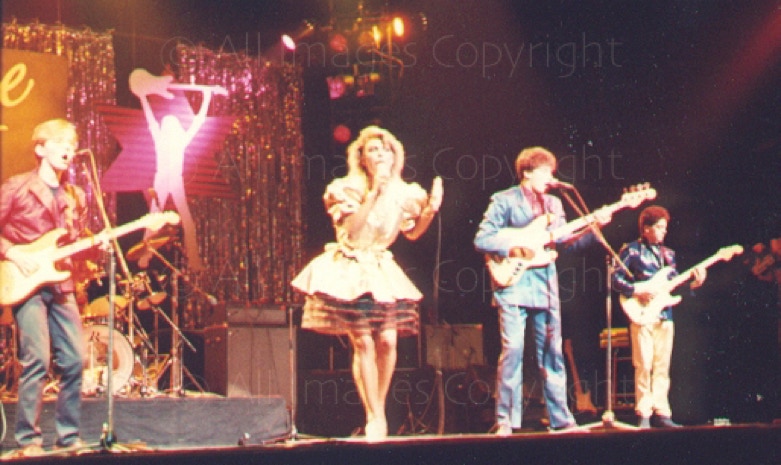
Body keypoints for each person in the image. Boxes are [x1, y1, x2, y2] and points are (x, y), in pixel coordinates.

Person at [291, 126, 443, 441]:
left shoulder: (404, 193)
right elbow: (352, 229)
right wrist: (373, 194)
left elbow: (413, 233)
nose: (380, 155)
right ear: (362, 158)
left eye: (385, 150)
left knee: (388, 340)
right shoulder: (346, 188)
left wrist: (430, 210)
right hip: (349, 268)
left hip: (379, 268)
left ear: (395, 156)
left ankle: (378, 409)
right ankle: (375, 416)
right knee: (363, 341)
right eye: (373, 150)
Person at [474, 146, 612, 435]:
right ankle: (505, 420)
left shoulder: (554, 204)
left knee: (552, 351)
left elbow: (567, 243)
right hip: (513, 283)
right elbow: (483, 238)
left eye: (552, 173)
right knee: (513, 349)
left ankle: (561, 420)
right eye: (545, 172)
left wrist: (593, 227)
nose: (551, 178)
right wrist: (515, 246)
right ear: (527, 172)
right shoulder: (504, 200)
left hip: (545, 283)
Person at [0, 119, 104, 456]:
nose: (69, 150)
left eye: (72, 145)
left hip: (61, 284)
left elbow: (73, 244)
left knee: (75, 359)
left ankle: (68, 438)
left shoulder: (75, 196)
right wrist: (12, 252)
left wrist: (95, 246)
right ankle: (28, 441)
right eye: (61, 143)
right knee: (37, 359)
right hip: (26, 282)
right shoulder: (17, 187)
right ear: (40, 148)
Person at [611, 205, 706, 429]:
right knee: (643, 364)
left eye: (665, 227)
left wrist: (694, 283)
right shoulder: (632, 251)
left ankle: (662, 411)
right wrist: (637, 291)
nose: (664, 231)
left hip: (664, 314)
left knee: (662, 365)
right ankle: (644, 412)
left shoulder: (668, 254)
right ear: (646, 228)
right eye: (660, 227)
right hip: (642, 313)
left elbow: (674, 286)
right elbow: (616, 278)